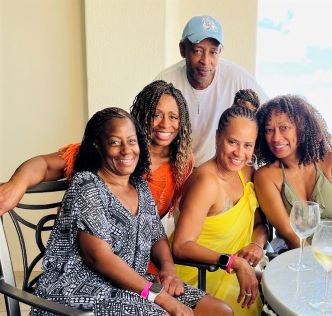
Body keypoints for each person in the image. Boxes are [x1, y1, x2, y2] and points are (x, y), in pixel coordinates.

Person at [30, 107, 232, 315]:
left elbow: (157, 237)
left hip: (131, 284)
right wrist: (161, 298)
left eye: (132, 141)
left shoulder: (140, 186)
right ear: (97, 146)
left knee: (219, 311)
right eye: (115, 142)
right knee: (164, 313)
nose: (126, 150)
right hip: (76, 288)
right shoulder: (87, 185)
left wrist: (168, 270)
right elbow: (98, 258)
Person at [0, 80, 192, 274]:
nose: (165, 124)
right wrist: (17, 184)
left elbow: (153, 228)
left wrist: (167, 268)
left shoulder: (182, 163)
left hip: (141, 261)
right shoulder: (110, 154)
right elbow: (45, 164)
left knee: (192, 301)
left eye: (173, 117)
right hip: (90, 262)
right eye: (156, 115)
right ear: (143, 115)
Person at [172, 106, 267, 316]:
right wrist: (235, 262)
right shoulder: (207, 182)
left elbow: (261, 224)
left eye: (247, 145)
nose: (239, 153)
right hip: (199, 275)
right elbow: (180, 246)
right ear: (217, 138)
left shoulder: (247, 173)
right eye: (232, 142)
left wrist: (256, 244)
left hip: (232, 274)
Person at [155, 15, 268, 166]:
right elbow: (146, 126)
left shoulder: (236, 77)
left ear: (220, 51)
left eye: (213, 52)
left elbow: (269, 116)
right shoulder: (166, 80)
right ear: (183, 49)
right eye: (197, 50)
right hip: (176, 167)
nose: (205, 61)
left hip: (220, 168)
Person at [253, 95, 332, 252]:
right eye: (269, 130)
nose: (276, 137)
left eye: (284, 128)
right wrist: (314, 265)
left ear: (301, 126)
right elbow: (288, 233)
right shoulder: (265, 176)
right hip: (294, 255)